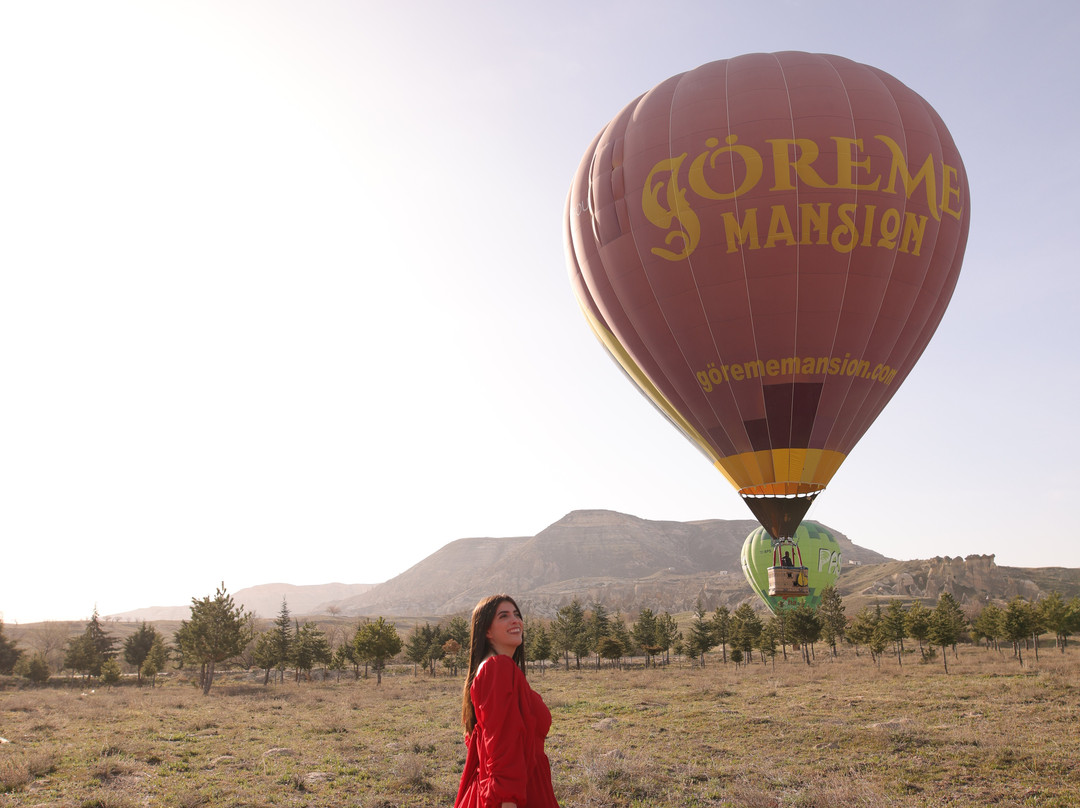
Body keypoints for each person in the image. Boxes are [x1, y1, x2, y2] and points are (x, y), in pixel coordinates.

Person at [455, 594, 559, 808]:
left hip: (521, 786)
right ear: (487, 630)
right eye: (503, 616)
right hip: (516, 795)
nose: (515, 621)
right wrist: (507, 801)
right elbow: (501, 745)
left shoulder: (494, 669)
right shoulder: (497, 668)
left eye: (517, 614)